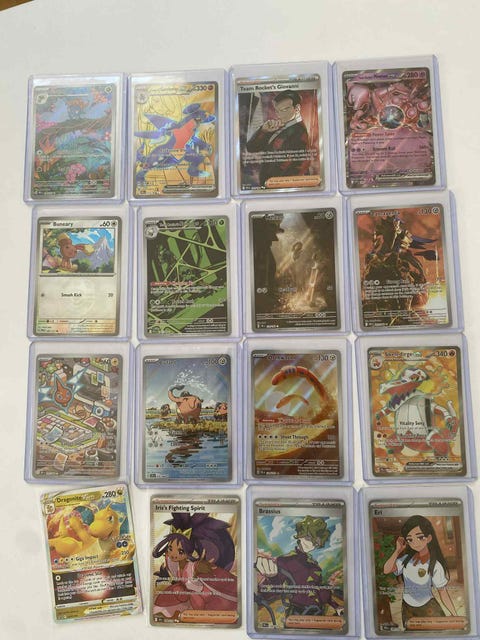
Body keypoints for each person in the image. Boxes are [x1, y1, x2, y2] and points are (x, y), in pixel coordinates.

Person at [255, 515, 343, 624]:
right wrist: (271, 578)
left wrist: (336, 606)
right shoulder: (285, 561)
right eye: (308, 538)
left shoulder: (315, 566)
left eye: (315, 543)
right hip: (297, 614)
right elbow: (270, 592)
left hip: (318, 614)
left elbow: (322, 591)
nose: (311, 545)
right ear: (300, 535)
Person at [152, 512, 238, 619]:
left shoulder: (193, 567)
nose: (173, 554)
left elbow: (202, 573)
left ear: (188, 551)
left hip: (207, 597)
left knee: (194, 599)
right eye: (170, 548)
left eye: (180, 551)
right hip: (189, 595)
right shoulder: (174, 565)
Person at [383, 515, 457, 628]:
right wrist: (397, 550)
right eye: (410, 539)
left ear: (429, 538)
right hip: (407, 607)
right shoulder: (406, 560)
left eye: (420, 537)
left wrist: (455, 615)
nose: (415, 543)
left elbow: (443, 592)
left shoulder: (435, 565)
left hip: (428, 608)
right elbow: (386, 570)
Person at [246, 90, 311, 186]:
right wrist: (263, 130)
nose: (279, 115)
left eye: (284, 110)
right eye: (277, 111)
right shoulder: (279, 125)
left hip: (277, 186)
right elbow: (252, 147)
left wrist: (274, 185)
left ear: (297, 108)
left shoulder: (299, 132)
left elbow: (297, 168)